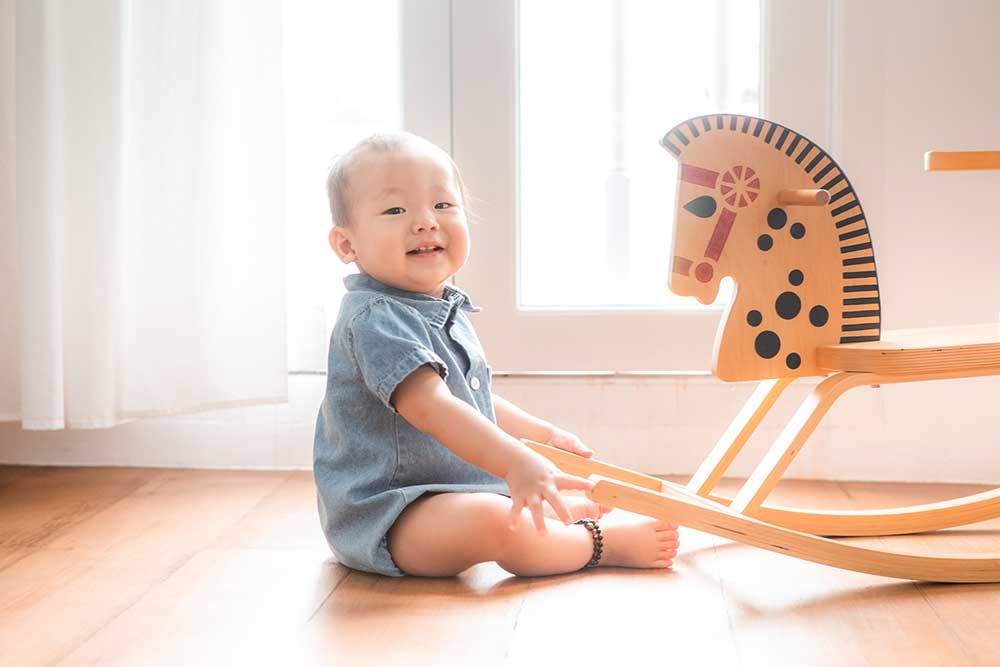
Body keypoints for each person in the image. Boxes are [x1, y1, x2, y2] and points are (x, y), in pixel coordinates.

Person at [314, 132, 679, 577]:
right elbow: (431, 406)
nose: (426, 221)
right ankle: (597, 543)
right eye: (395, 210)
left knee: (504, 505)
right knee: (496, 522)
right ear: (347, 245)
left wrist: (541, 435)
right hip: (392, 515)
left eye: (443, 205)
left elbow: (472, 398)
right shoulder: (374, 318)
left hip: (448, 495)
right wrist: (515, 461)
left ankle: (558, 514)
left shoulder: (439, 306)